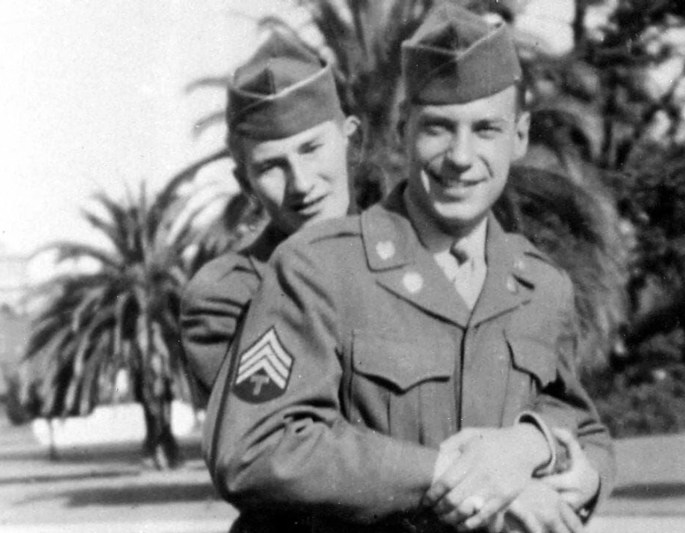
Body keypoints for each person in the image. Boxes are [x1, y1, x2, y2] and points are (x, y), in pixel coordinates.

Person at [204, 4, 614, 532]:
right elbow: (255, 447)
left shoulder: (540, 284)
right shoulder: (318, 269)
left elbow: (579, 422)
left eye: (486, 129)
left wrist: (538, 448)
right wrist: (460, 480)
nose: (461, 157)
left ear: (520, 137)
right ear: (403, 132)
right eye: (438, 129)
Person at [180, 31, 361, 401]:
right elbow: (275, 445)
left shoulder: (419, 258)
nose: (301, 183)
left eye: (311, 149)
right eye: (271, 166)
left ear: (351, 140)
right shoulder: (227, 297)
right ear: (245, 183)